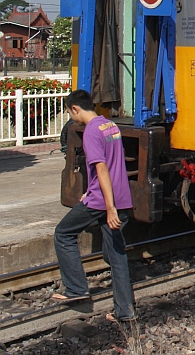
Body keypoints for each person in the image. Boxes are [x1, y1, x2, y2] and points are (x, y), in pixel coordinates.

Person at [52, 90, 136, 323]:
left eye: (70, 112)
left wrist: (108, 208)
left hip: (102, 201)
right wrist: (92, 192)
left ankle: (76, 289)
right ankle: (125, 311)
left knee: (63, 234)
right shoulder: (110, 126)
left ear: (75, 109)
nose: (72, 117)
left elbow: (101, 168)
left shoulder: (90, 131)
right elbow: (113, 163)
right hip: (120, 196)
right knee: (117, 256)